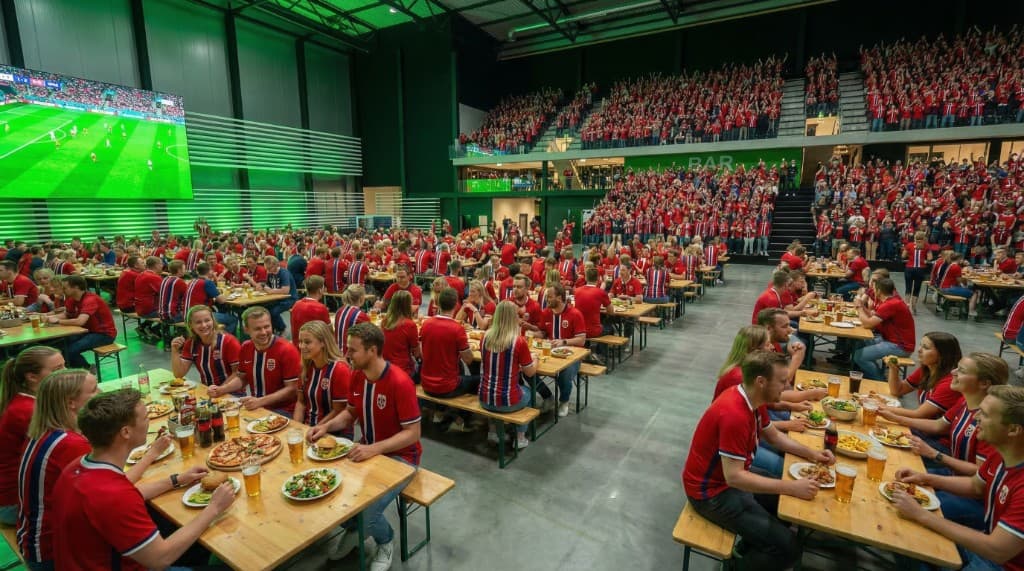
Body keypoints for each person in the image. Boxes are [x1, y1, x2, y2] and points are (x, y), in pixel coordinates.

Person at [683, 351, 834, 571]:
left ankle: (748, 548)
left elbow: (773, 436)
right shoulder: (734, 413)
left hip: (725, 481)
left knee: (783, 506)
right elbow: (734, 478)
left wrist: (812, 454)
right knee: (788, 548)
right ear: (761, 381)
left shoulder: (753, 397)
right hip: (710, 493)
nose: (786, 386)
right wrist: (792, 487)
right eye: (782, 381)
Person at [52, 389, 234, 571]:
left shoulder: (78, 467)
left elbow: (127, 493)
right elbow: (161, 558)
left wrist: (176, 480)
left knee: (190, 537)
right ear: (125, 432)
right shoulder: (113, 496)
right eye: (146, 417)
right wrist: (214, 508)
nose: (149, 421)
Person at [306, 322, 421, 570]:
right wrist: (326, 426)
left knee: (367, 514)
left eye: (353, 349)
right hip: (367, 451)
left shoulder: (400, 383)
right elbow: (350, 413)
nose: (347, 354)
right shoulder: (358, 376)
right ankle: (353, 532)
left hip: (402, 459)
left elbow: (413, 433)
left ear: (372, 351)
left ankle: (385, 541)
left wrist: (373, 448)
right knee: (331, 495)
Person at [889, 385, 1024, 570]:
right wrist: (925, 478)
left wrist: (921, 515)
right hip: (987, 541)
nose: (976, 417)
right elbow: (976, 485)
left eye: (984, 414)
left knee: (914, 529)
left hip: (1002, 564)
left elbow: (997, 550)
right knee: (906, 536)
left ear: (1013, 430)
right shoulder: (1003, 452)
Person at [879, 353, 1008, 530]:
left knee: (907, 511)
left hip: (978, 501)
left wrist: (935, 455)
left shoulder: (992, 425)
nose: (953, 372)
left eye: (961, 370)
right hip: (957, 476)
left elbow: (979, 477)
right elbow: (939, 425)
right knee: (897, 479)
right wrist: (895, 418)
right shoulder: (965, 401)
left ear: (984, 383)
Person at [17, 369, 106, 570]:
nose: (100, 392)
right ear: (70, 403)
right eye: (93, 390)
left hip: (32, 537)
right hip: (52, 552)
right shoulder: (71, 444)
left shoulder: (43, 431)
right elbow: (110, 496)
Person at [0, 347, 64, 525]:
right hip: (14, 504)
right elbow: (67, 445)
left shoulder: (29, 399)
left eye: (64, 366)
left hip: (21, 495)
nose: (66, 373)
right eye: (57, 369)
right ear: (32, 377)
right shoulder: (28, 410)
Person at [478, 301, 537, 448]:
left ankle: (492, 431)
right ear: (513, 318)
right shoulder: (518, 342)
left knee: (496, 389)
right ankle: (520, 437)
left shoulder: (485, 337)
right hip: (507, 401)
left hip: (484, 398)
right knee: (529, 393)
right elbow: (530, 372)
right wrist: (535, 360)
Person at [420, 287, 477, 431]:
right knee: (480, 380)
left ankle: (442, 412)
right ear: (455, 305)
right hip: (447, 387)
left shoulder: (426, 324)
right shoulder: (457, 329)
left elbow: (421, 352)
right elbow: (469, 359)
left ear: (438, 303)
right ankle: (463, 417)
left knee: (457, 371)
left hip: (426, 383)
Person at [229, 306, 300, 416]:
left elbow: (292, 389)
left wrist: (260, 401)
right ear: (246, 330)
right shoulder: (246, 347)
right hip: (257, 406)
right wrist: (221, 389)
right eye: (257, 329)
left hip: (283, 410)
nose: (263, 332)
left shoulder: (286, 350)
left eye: (267, 327)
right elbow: (242, 379)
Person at [883, 331, 963, 421]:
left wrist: (881, 407)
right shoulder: (927, 369)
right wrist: (894, 369)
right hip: (922, 425)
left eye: (926, 347)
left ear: (942, 355)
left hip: (931, 432)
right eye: (921, 345)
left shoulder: (949, 384)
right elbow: (897, 390)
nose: (919, 350)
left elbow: (919, 415)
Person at [45, 275, 116, 369]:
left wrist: (57, 321)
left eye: (65, 287)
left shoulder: (90, 299)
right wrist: (47, 317)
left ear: (76, 287)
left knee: (70, 351)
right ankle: (75, 370)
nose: (62, 289)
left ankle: (86, 370)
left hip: (104, 334)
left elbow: (80, 321)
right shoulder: (72, 299)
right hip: (87, 331)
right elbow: (67, 314)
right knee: (60, 344)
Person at [170, 304, 242, 397]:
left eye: (207, 320)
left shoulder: (229, 341)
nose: (204, 325)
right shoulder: (191, 344)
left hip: (232, 393)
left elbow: (238, 373)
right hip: (208, 392)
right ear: (191, 325)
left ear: (213, 321)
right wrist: (175, 351)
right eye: (198, 322)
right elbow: (178, 374)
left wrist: (220, 390)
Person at [851, 277, 915, 380]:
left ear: (879, 291)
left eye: (874, 288)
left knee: (859, 356)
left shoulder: (890, 304)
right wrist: (862, 306)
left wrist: (858, 307)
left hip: (900, 346)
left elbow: (868, 324)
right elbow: (873, 318)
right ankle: (864, 371)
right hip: (891, 340)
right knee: (859, 343)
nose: (873, 290)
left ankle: (880, 380)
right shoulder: (891, 301)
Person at [538, 283, 585, 417]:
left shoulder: (575, 314)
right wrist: (534, 333)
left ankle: (564, 401)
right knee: (526, 371)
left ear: (559, 298)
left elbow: (581, 339)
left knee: (564, 373)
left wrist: (564, 342)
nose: (547, 299)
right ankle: (547, 396)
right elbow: (543, 332)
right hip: (549, 352)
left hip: (572, 355)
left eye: (549, 297)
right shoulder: (546, 313)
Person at [294, 320, 350, 430]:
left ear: (323, 342)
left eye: (307, 342)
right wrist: (296, 428)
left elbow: (339, 410)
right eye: (300, 341)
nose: (301, 346)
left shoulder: (339, 369)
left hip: (334, 431)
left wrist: (314, 429)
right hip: (308, 427)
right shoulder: (305, 366)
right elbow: (301, 402)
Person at [381, 290, 421, 381]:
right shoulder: (409, 325)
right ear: (407, 306)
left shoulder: (385, 321)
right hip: (403, 371)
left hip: (384, 368)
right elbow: (417, 353)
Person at [260, 256, 297, 335]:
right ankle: (273, 330)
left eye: (269, 269)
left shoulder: (284, 273)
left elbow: (286, 290)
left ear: (275, 265)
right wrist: (263, 286)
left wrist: (271, 291)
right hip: (276, 298)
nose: (268, 271)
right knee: (263, 309)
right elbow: (268, 286)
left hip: (289, 299)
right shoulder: (270, 274)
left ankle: (282, 329)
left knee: (273, 312)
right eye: (267, 269)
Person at [290, 274, 331, 340]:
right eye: (324, 287)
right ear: (320, 290)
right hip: (313, 347)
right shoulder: (320, 308)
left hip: (297, 345)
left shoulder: (296, 304)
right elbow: (329, 332)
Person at [334, 284, 370, 354]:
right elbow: (369, 338)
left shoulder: (339, 311)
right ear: (361, 298)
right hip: (350, 356)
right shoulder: (361, 316)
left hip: (336, 352)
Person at [902, 231, 932, 314]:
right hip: (920, 269)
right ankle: (914, 306)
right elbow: (930, 258)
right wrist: (924, 259)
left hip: (909, 268)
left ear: (915, 237)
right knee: (917, 288)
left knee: (908, 287)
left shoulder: (909, 245)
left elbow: (903, 256)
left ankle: (907, 305)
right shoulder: (926, 246)